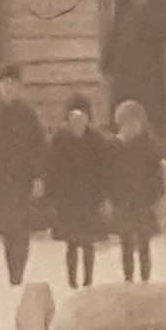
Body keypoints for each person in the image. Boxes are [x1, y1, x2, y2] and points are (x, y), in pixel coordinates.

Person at [0, 65, 47, 288]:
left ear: (19, 87)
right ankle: (13, 274)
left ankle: (19, 272)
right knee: (8, 230)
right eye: (4, 84)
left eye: (13, 84)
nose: (9, 88)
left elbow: (39, 148)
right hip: (1, 182)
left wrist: (38, 177)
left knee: (22, 230)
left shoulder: (28, 115)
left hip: (23, 180)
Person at [43, 95, 110, 288]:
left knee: (88, 243)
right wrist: (53, 197)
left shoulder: (97, 140)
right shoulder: (59, 140)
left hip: (90, 199)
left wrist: (103, 196)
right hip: (68, 200)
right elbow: (51, 170)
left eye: (82, 118)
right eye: (74, 118)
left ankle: (88, 279)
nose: (78, 122)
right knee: (71, 243)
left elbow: (104, 170)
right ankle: (72, 280)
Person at [102, 0, 166, 138]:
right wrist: (107, 61)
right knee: (123, 109)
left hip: (148, 72)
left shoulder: (157, 4)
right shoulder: (124, 4)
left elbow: (165, 32)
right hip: (124, 70)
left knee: (149, 111)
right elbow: (116, 33)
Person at [107, 100, 165, 283]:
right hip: (122, 200)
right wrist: (110, 196)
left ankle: (145, 278)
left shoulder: (148, 145)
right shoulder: (113, 146)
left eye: (136, 122)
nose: (132, 126)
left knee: (144, 242)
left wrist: (157, 195)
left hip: (143, 200)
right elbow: (107, 173)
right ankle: (128, 278)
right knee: (126, 242)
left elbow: (157, 172)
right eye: (128, 122)